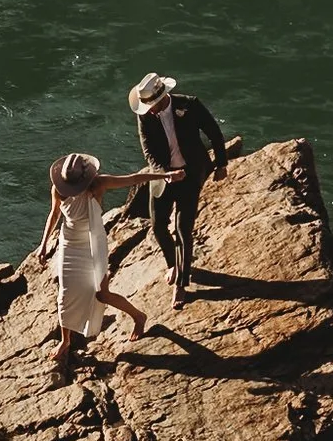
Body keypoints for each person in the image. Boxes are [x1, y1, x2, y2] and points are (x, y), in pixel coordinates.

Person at [35, 151, 180, 374]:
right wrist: (44, 244)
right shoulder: (59, 190)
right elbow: (54, 215)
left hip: (93, 244)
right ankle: (66, 340)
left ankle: (139, 317)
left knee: (102, 294)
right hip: (68, 244)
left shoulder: (99, 184)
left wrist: (165, 175)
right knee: (65, 292)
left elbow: (133, 179)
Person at [127, 71, 228, 308]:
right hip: (163, 176)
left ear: (163, 96)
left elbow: (214, 132)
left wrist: (221, 163)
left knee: (183, 228)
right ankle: (173, 263)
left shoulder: (189, 105)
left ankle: (181, 285)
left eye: (152, 104)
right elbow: (148, 150)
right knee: (158, 225)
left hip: (191, 174)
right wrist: (165, 172)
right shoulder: (145, 117)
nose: (149, 109)